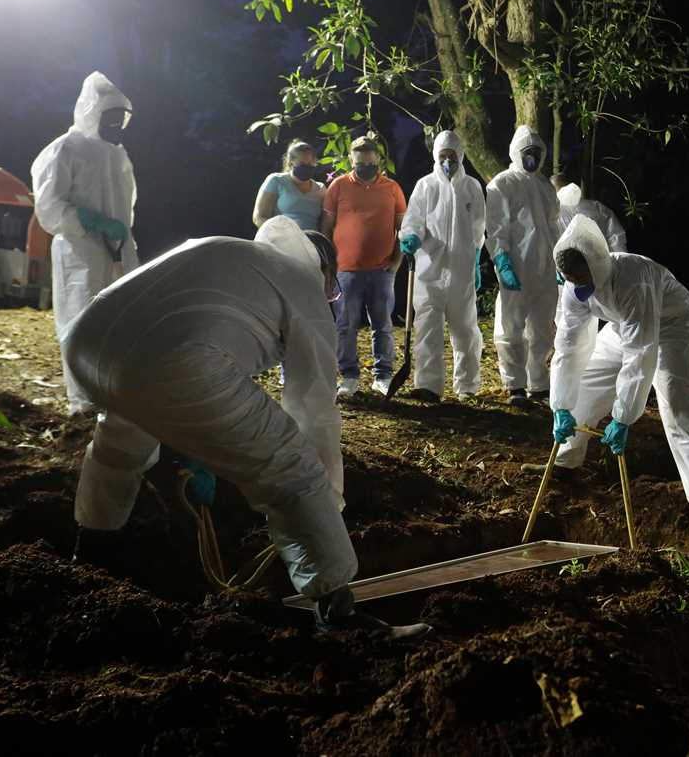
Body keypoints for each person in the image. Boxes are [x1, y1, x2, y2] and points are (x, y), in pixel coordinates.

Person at [65, 215, 429, 639]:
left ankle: (90, 555)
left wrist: (193, 446)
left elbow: (168, 334)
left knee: (119, 439)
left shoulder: (223, 247)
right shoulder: (301, 281)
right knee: (290, 464)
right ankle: (339, 612)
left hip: (85, 342)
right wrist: (326, 499)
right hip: (174, 364)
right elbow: (314, 408)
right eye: (331, 287)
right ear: (323, 270)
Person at [533, 214, 689, 541]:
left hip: (673, 326)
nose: (578, 287)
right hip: (623, 324)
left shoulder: (634, 279)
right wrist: (561, 405)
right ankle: (566, 461)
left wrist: (624, 416)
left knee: (676, 402)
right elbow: (570, 345)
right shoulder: (573, 286)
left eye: (583, 279)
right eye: (571, 280)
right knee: (587, 381)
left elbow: (641, 353)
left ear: (597, 264)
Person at [31, 71, 141, 416]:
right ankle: (83, 401)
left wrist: (120, 231)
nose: (115, 123)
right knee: (80, 322)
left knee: (121, 320)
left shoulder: (118, 154)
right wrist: (88, 222)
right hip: (80, 252)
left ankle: (113, 395)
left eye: (121, 117)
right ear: (92, 111)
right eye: (110, 115)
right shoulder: (66, 148)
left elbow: (129, 203)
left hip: (120, 249)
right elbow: (49, 206)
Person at [398, 130, 486, 402]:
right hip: (429, 270)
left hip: (461, 270)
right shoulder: (425, 186)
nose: (448, 160)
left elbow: (478, 228)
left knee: (465, 329)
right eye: (443, 156)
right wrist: (411, 236)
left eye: (452, 156)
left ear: (460, 156)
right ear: (436, 157)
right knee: (428, 327)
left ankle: (468, 385)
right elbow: (414, 219)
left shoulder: (472, 187)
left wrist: (476, 260)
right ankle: (428, 385)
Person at [323, 135, 406, 398]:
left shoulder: (392, 188)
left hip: (382, 270)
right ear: (351, 160)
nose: (366, 168)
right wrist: (327, 264)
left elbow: (403, 228)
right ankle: (349, 376)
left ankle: (382, 376)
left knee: (382, 324)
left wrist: (397, 259)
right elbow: (326, 227)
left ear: (378, 160)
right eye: (360, 164)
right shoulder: (338, 186)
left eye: (371, 164)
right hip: (345, 270)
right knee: (345, 325)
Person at [485, 125, 562, 406]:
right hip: (516, 266)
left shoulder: (544, 186)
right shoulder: (502, 184)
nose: (531, 157)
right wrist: (502, 260)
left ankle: (538, 384)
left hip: (545, 268)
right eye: (526, 153)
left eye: (535, 153)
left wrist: (560, 261)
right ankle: (514, 384)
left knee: (542, 328)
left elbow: (554, 227)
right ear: (516, 153)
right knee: (511, 325)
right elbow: (495, 228)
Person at [253, 139, 329, 231]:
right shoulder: (276, 180)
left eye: (310, 163)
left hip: (310, 242)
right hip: (279, 240)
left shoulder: (321, 188)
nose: (306, 167)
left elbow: (326, 222)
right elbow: (259, 217)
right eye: (302, 163)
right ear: (291, 162)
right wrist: (280, 235)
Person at [554, 177, 627, 251]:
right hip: (602, 259)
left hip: (565, 260)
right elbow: (617, 240)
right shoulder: (597, 207)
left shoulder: (553, 215)